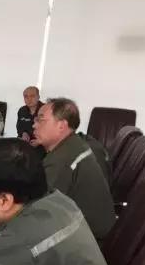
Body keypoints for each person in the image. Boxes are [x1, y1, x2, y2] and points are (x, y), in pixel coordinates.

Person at [32, 98, 116, 240]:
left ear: (61, 125)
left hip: (88, 239)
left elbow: (37, 208)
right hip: (91, 231)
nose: (34, 125)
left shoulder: (63, 159)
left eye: (41, 120)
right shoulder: (75, 144)